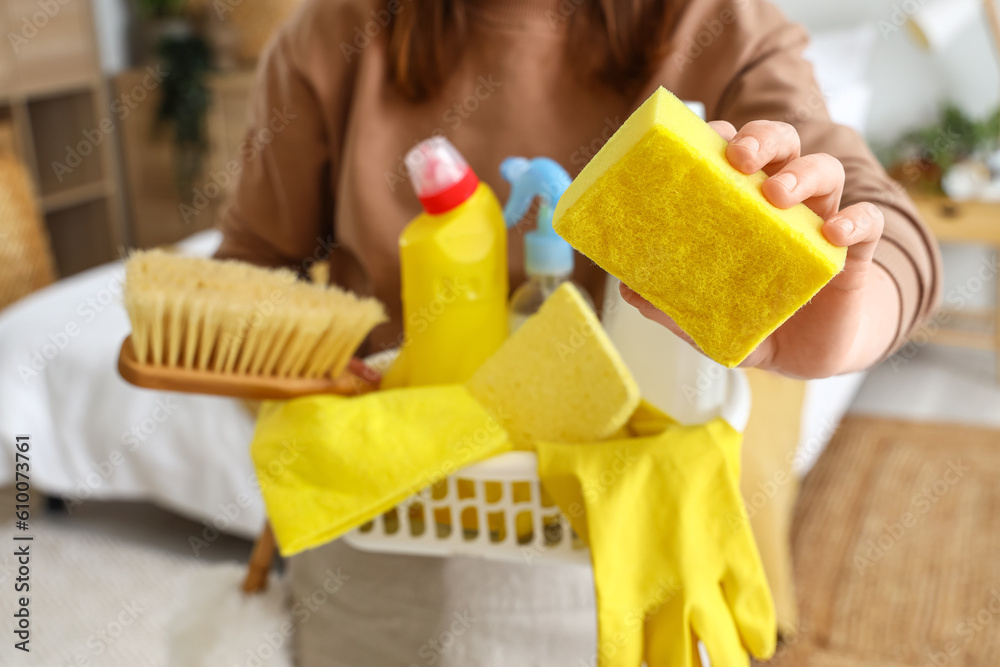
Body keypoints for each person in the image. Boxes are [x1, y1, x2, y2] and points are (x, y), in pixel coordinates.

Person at [215, 0, 941, 664]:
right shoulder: (332, 34)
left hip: (615, 554)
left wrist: (848, 316)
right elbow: (248, 271)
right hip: (383, 530)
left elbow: (876, 209)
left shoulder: (717, 25)